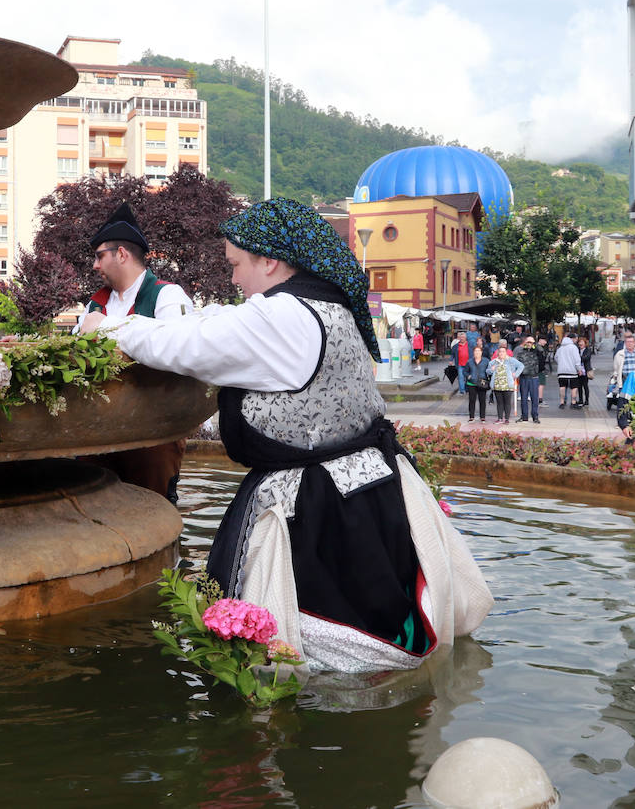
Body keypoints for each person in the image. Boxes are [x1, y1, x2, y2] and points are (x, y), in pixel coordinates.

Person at [82, 198, 492, 673]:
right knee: (374, 618)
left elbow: (178, 343)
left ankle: (305, 724)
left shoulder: (282, 316)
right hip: (368, 487)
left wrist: (106, 326)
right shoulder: (328, 306)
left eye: (237, 264)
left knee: (299, 649)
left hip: (315, 504)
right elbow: (227, 337)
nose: (234, 279)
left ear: (270, 260)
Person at [77, 202, 193, 500]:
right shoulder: (93, 304)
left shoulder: (167, 295)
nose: (94, 265)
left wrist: (104, 327)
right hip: (98, 431)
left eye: (99, 256)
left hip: (153, 434)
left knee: (155, 513)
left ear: (122, 254)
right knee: (93, 509)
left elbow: (176, 349)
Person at [489, 346, 523, 424]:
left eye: (503, 351)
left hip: (508, 385)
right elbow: (488, 371)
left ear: (506, 352)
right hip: (497, 385)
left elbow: (521, 366)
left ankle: (507, 418)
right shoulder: (494, 362)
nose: (501, 353)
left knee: (507, 402)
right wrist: (491, 369)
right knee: (499, 403)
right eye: (500, 351)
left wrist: (515, 374)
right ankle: (500, 418)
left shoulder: (511, 360)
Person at [514, 336, 541, 423]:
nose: (529, 344)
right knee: (524, 398)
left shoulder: (536, 351)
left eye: (531, 342)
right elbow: (516, 363)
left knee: (534, 398)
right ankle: (524, 416)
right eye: (528, 342)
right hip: (524, 377)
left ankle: (535, 416)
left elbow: (542, 352)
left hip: (534, 377)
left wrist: (535, 343)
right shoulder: (521, 352)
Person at [610, 333, 635, 409]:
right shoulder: (619, 354)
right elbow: (616, 368)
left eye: (631, 342)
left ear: (634, 343)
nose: (629, 344)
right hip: (624, 382)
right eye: (627, 342)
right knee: (623, 403)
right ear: (625, 343)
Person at [555, 335, 583, 409]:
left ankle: (562, 402)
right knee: (574, 387)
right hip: (572, 371)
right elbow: (577, 360)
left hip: (561, 371)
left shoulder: (560, 348)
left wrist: (561, 364)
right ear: (572, 339)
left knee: (562, 387)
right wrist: (579, 369)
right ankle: (573, 403)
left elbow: (556, 357)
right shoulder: (573, 348)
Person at [466, 344, 491, 422]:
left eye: (478, 351)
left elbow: (489, 371)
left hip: (482, 383)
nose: (477, 353)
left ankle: (482, 417)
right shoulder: (469, 361)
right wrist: (468, 376)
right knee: (472, 400)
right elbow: (465, 371)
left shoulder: (486, 361)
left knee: (482, 400)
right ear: (473, 352)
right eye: (475, 351)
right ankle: (471, 416)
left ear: (481, 352)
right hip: (472, 383)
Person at [576, 336, 593, 407]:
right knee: (579, 386)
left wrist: (579, 358)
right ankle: (580, 400)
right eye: (579, 342)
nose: (580, 343)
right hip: (578, 370)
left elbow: (587, 358)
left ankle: (586, 401)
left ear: (585, 343)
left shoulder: (588, 350)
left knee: (585, 386)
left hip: (585, 370)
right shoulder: (577, 350)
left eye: (582, 342)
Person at [535, 336, 550, 403]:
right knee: (541, 384)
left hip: (535, 369)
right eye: (544, 340)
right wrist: (543, 368)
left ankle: (537, 399)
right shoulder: (540, 349)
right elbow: (541, 360)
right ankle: (540, 400)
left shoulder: (535, 347)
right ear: (540, 340)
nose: (545, 342)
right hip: (540, 369)